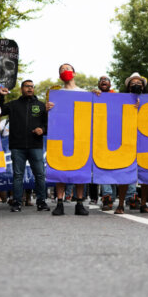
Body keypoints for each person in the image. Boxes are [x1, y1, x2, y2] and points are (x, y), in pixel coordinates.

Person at [0, 79, 50, 212]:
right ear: (22, 89)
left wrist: (42, 130)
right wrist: (0, 96)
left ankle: (41, 202)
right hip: (17, 146)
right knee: (18, 175)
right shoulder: (13, 105)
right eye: (27, 86)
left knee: (40, 175)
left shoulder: (41, 106)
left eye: (32, 87)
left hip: (35, 146)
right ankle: (16, 202)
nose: (30, 88)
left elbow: (49, 124)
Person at [45, 63, 89, 216]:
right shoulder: (56, 95)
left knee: (80, 169)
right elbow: (51, 118)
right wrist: (48, 109)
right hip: (61, 135)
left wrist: (97, 96)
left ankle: (80, 203)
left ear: (74, 73)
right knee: (60, 168)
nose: (65, 71)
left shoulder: (85, 93)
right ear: (59, 76)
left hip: (80, 135)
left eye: (67, 69)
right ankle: (59, 203)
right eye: (61, 70)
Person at [115, 73, 148, 214]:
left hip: (145, 140)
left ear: (143, 86)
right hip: (127, 140)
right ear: (128, 87)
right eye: (133, 83)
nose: (136, 84)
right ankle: (120, 204)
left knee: (146, 174)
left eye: (139, 83)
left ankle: (143, 204)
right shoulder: (121, 100)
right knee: (124, 173)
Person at [94, 76, 115, 210]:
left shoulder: (118, 97)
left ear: (110, 84)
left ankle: (112, 197)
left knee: (116, 169)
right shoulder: (95, 96)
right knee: (104, 167)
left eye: (106, 80)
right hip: (100, 138)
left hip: (117, 137)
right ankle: (107, 197)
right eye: (101, 80)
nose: (103, 81)